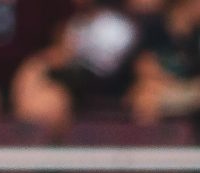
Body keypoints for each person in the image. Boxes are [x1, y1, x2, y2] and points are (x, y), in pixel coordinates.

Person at [11, 0, 142, 135]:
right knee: (39, 83)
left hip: (106, 84)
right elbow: (62, 55)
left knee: (53, 99)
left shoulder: (117, 26)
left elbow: (109, 68)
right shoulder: (73, 23)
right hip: (73, 80)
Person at [130, 0, 200, 123]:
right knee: (145, 95)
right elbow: (144, 67)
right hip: (159, 87)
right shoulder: (154, 26)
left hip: (186, 92)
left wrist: (178, 92)